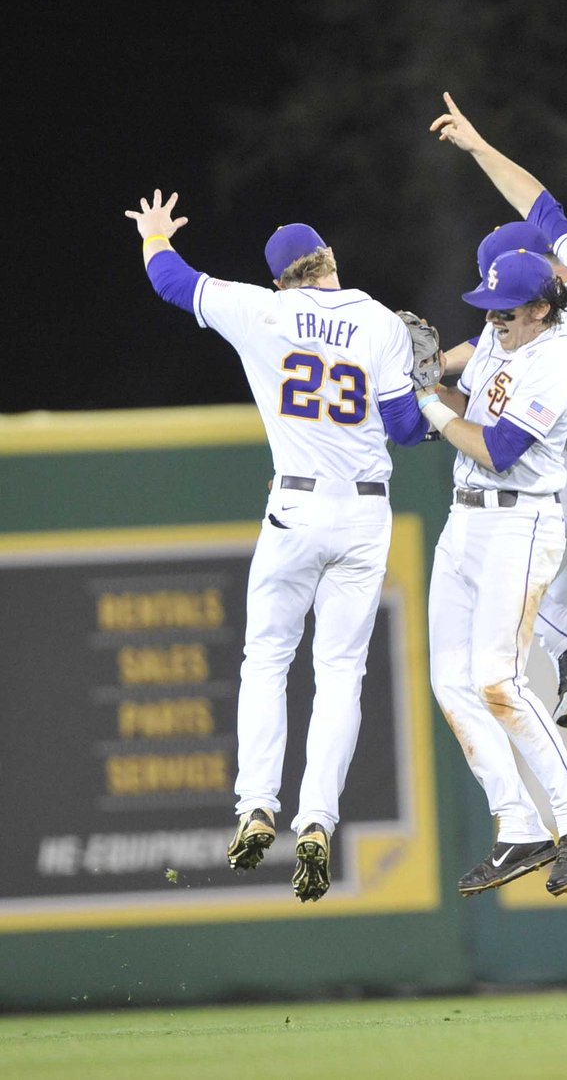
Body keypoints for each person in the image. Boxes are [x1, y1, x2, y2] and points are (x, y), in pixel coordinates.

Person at [123, 191, 430, 903]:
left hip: (292, 504)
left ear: (281, 277)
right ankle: (317, 818)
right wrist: (428, 397)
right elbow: (409, 430)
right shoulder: (380, 321)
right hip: (363, 515)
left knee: (266, 658)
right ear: (331, 262)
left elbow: (169, 280)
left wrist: (156, 234)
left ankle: (256, 804)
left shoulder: (261, 310)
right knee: (341, 673)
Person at [429, 93, 567, 803]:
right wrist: (479, 146)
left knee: (524, 599)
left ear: (526, 297)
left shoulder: (549, 339)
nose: (494, 316)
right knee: (560, 597)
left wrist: (433, 382)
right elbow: (541, 202)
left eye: (498, 304)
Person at [415, 247, 567, 898]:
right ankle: (519, 824)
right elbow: (461, 406)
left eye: (506, 310)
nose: (494, 318)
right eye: (490, 309)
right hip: (464, 520)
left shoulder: (557, 360)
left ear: (538, 308)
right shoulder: (500, 342)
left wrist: (432, 406)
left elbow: (498, 449)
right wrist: (414, 388)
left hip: (519, 524)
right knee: (451, 680)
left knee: (497, 679)